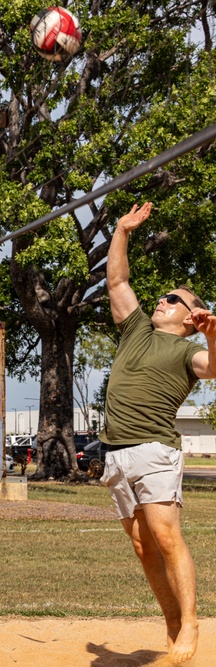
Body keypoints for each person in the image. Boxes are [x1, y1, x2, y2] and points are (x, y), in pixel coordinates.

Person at [102, 201, 216, 664]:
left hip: (154, 450)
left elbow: (215, 368)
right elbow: (117, 281)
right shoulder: (135, 331)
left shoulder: (188, 350)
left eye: (173, 299)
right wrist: (121, 231)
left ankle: (190, 624)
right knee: (141, 544)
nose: (162, 300)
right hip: (115, 452)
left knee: (167, 539)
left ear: (192, 316)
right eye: (164, 296)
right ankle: (171, 623)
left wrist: (213, 333)